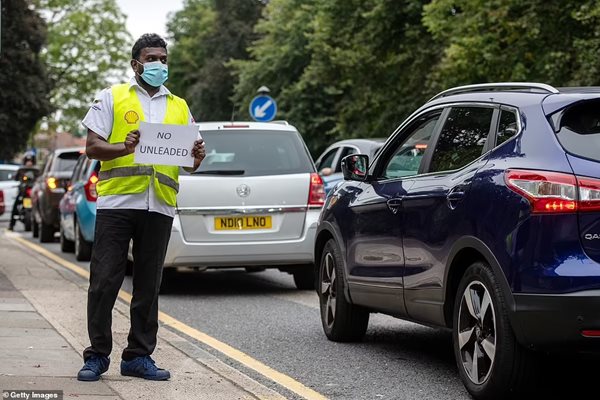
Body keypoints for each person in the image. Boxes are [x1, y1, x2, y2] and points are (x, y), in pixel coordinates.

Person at [77, 34, 205, 382]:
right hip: (118, 202)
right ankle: (97, 356)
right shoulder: (113, 97)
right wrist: (123, 147)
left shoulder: (179, 105)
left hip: (159, 205)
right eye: (151, 59)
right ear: (136, 64)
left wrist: (197, 158)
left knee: (149, 284)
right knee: (104, 281)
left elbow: (189, 161)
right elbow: (92, 147)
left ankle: (138, 356)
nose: (159, 65)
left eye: (163, 59)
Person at [8, 154, 36, 231]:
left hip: (33, 192)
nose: (29, 163)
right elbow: (16, 178)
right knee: (15, 205)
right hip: (23, 192)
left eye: (30, 161)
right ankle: (11, 224)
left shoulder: (36, 170)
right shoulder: (21, 170)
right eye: (27, 161)